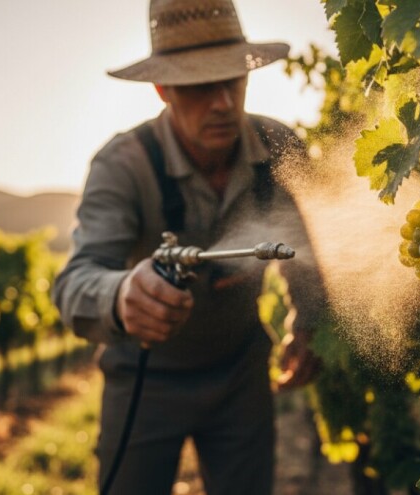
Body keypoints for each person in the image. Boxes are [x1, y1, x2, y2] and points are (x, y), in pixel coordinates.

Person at [52, 0, 326, 493]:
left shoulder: (280, 147)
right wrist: (119, 296)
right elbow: (75, 282)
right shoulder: (123, 165)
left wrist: (307, 325)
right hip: (145, 379)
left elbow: (303, 246)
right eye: (201, 86)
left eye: (233, 80)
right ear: (163, 89)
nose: (222, 101)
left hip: (241, 373)